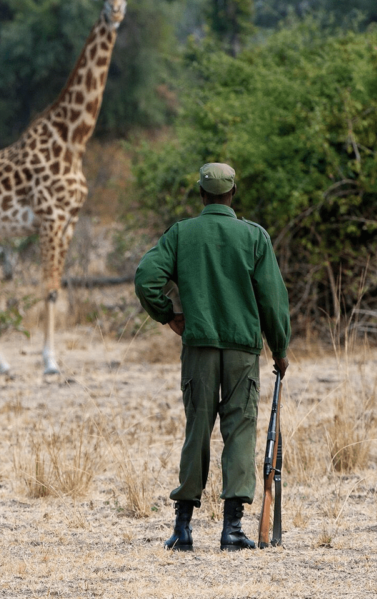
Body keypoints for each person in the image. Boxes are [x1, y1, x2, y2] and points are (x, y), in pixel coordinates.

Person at [134, 163, 291, 552]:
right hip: (242, 351)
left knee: (197, 431)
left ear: (202, 195)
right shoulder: (254, 237)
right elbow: (272, 300)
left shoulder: (182, 234)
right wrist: (281, 348)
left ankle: (183, 528)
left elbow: (145, 277)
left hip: (199, 347)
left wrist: (168, 315)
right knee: (239, 430)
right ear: (233, 193)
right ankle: (232, 530)